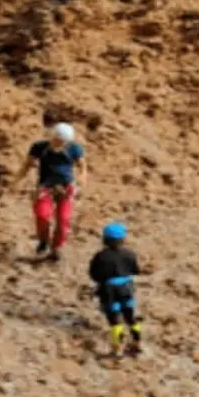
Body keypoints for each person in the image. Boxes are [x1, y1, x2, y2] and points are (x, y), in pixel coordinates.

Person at [15, 117, 87, 262]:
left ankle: (57, 246)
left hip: (65, 187)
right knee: (42, 215)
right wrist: (16, 181)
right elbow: (27, 164)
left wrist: (82, 179)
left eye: (62, 142)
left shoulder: (74, 149)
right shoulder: (39, 147)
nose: (58, 143)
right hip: (45, 186)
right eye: (57, 140)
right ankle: (43, 240)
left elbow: (83, 166)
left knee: (63, 220)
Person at [88, 222, 143, 357]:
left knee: (114, 321)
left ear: (104, 240)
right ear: (123, 239)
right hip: (126, 288)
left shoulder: (100, 256)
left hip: (109, 291)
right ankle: (137, 343)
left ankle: (116, 349)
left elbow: (94, 275)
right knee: (130, 317)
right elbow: (136, 270)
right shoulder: (129, 254)